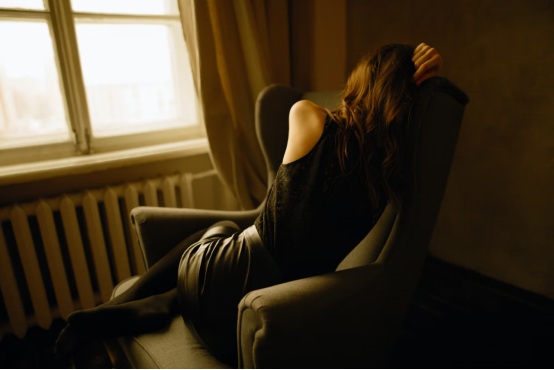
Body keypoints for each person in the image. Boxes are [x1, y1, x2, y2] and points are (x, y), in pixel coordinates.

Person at [56, 42, 442, 365]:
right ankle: (166, 301)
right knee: (229, 238)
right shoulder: (389, 181)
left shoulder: (308, 116)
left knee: (220, 232)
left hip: (217, 283)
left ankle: (132, 302)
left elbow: (285, 197)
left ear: (362, 84)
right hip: (248, 320)